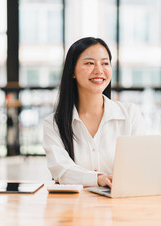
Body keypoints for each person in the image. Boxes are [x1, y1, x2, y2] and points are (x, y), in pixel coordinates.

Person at [43, 37, 145, 187]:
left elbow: (142, 163)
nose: (99, 71)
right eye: (90, 63)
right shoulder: (54, 124)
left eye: (105, 63)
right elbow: (61, 170)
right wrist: (98, 179)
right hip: (74, 207)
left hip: (121, 205)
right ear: (72, 70)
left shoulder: (130, 114)